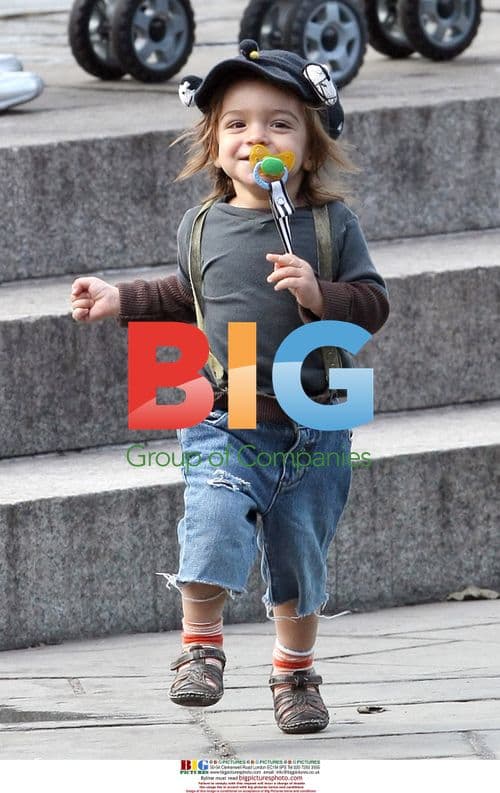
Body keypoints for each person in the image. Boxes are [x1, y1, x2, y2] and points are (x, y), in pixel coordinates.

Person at [71, 40, 389, 734]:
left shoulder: (331, 226)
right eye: (237, 123)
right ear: (213, 144)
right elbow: (184, 293)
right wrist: (118, 298)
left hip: (314, 420)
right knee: (212, 519)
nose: (256, 137)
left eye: (280, 122)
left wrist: (319, 291)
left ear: (309, 147)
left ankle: (294, 670)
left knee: (297, 558)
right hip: (226, 410)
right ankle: (200, 649)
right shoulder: (203, 225)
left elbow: (373, 303)